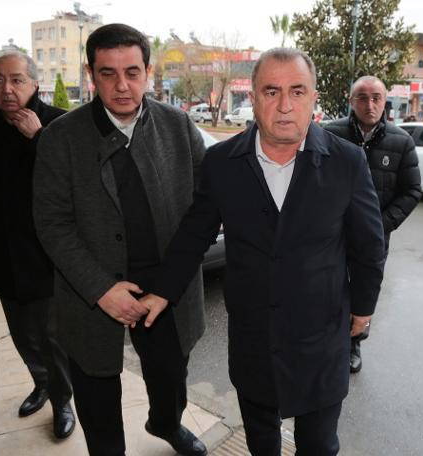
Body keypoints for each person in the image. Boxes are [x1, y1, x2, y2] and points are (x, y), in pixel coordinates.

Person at [140, 48, 386, 455]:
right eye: (272, 91)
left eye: (297, 91)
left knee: (319, 446)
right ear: (252, 98)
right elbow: (194, 233)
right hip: (254, 339)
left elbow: (369, 244)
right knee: (261, 443)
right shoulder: (222, 162)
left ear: (313, 98)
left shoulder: (346, 161)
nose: (285, 105)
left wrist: (363, 309)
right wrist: (162, 291)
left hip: (321, 340)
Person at [32, 24, 208, 456]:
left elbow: (204, 209)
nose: (122, 85)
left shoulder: (178, 126)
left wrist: (168, 287)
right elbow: (52, 223)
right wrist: (100, 290)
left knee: (171, 376)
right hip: (93, 290)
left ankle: (166, 424)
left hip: (166, 289)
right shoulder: (60, 137)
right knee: (96, 390)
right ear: (91, 74)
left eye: (132, 72)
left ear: (148, 72)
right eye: (108, 73)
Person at [0, 52, 75, 439]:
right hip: (0, 251)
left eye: (17, 80)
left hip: (46, 254)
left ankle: (62, 399)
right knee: (22, 333)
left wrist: (39, 140)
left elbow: (74, 186)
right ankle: (42, 384)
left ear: (35, 84)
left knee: (51, 336)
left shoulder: (58, 124)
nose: (7, 89)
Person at [324, 75, 421, 373]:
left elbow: (412, 191)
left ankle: (354, 343)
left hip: (375, 238)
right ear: (351, 101)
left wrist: (379, 225)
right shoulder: (329, 133)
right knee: (328, 285)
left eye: (376, 97)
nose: (370, 104)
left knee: (364, 289)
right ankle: (326, 339)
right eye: (363, 97)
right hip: (333, 235)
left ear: (385, 101)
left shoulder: (401, 141)